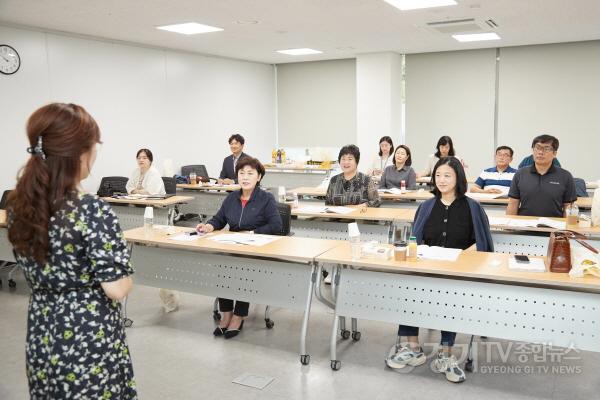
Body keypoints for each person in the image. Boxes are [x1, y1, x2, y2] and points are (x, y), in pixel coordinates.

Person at [7, 103, 136, 398]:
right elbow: (116, 288)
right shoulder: (91, 210)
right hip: (86, 336)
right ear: (81, 153)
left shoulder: (19, 205)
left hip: (42, 328)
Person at [387, 156, 493, 383]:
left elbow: (481, 244)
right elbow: (416, 239)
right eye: (438, 175)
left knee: (450, 295)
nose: (442, 180)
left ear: (458, 178)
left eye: (447, 175)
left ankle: (446, 354)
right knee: (410, 288)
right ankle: (413, 348)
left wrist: (460, 260)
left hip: (457, 272)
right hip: (427, 267)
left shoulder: (472, 207)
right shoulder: (426, 206)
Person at [196, 157, 282, 339]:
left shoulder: (266, 198)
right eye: (241, 173)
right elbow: (219, 219)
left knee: (244, 269)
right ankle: (226, 313)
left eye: (250, 173)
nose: (245, 177)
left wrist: (252, 233)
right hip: (234, 245)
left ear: (259, 177)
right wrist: (208, 226)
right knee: (222, 264)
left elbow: (276, 225)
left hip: (257, 248)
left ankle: (239, 315)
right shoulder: (231, 198)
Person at [507, 135, 576, 217]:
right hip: (524, 225)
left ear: (554, 154)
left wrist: (566, 229)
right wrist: (509, 227)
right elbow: (513, 203)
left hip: (554, 226)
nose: (540, 152)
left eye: (546, 149)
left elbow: (568, 207)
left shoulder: (565, 176)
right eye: (537, 147)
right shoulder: (520, 174)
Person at [326, 145, 381, 209]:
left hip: (359, 217)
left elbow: (376, 201)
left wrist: (361, 206)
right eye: (343, 159)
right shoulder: (334, 180)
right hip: (337, 218)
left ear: (356, 161)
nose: (346, 162)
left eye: (350, 159)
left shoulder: (366, 180)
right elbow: (328, 202)